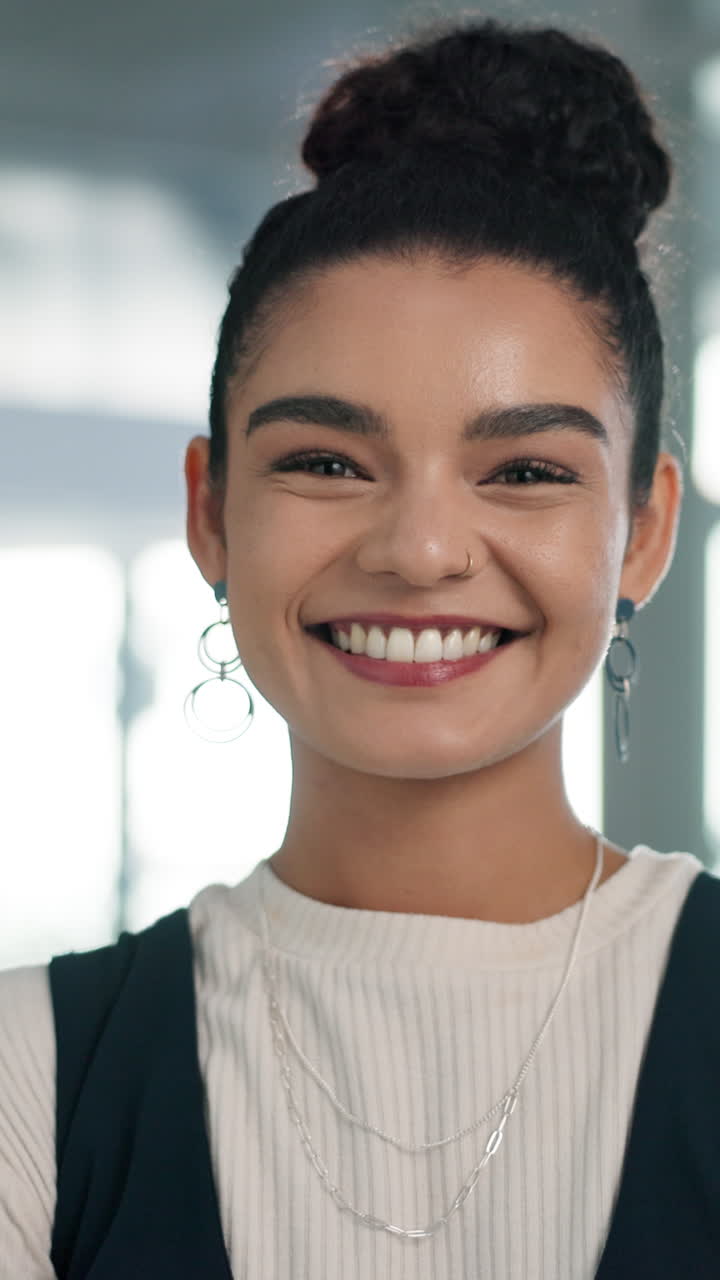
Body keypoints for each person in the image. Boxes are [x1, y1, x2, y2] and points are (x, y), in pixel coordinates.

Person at [1, 13, 718, 1279]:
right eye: (327, 461)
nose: (421, 549)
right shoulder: (30, 1075)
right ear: (212, 511)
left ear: (645, 532)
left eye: (526, 470)